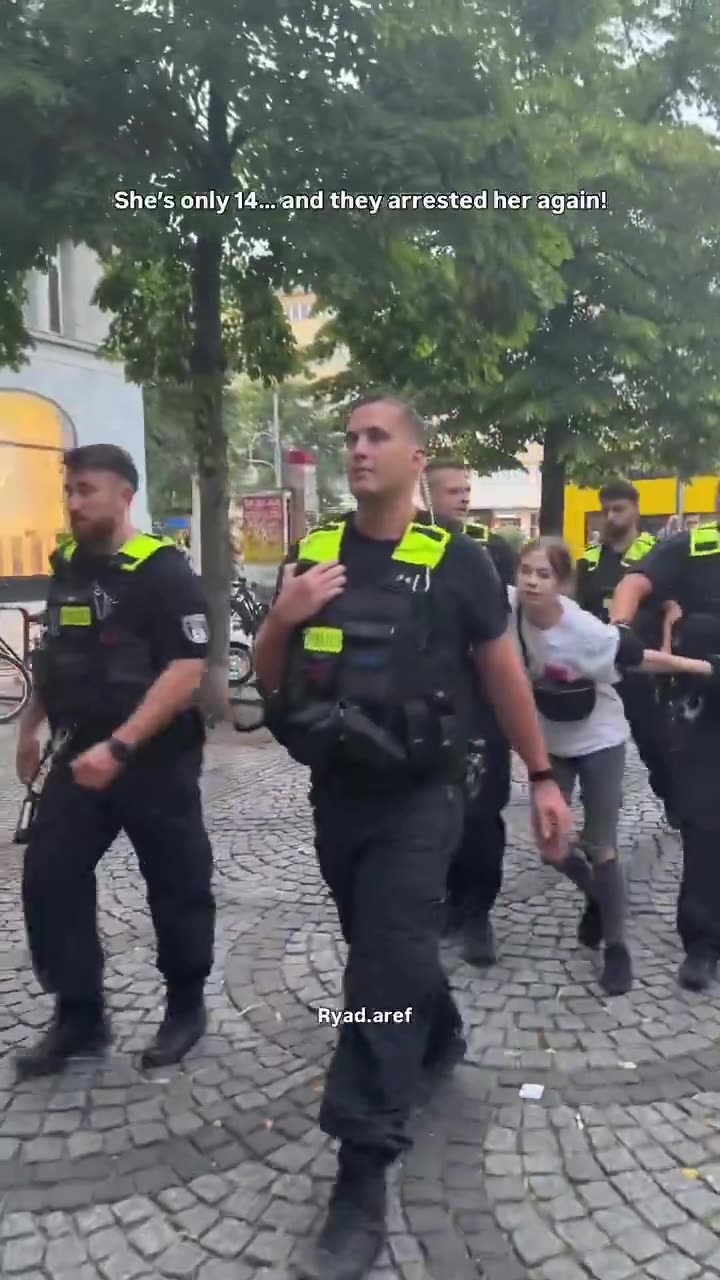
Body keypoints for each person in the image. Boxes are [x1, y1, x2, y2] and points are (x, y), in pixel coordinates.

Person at [255, 392, 572, 1280]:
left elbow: (501, 672)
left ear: (413, 459)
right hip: (339, 793)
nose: (357, 450)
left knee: (375, 973)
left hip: (426, 797)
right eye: (350, 437)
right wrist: (284, 615)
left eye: (375, 437)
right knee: (385, 951)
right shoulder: (315, 554)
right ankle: (436, 1034)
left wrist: (542, 778)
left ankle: (362, 1168)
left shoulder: (460, 562)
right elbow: (268, 682)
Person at [15, 444, 215, 1078]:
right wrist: (28, 728)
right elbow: (56, 653)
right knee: (48, 874)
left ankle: (185, 1006)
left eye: (86, 491)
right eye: (69, 490)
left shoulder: (163, 571)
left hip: (153, 756)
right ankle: (81, 1017)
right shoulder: (68, 565)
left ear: (125, 496)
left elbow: (187, 669)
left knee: (177, 884)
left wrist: (122, 745)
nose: (73, 503)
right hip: (81, 753)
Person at [514, 538, 709, 997]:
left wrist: (699, 667)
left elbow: (642, 660)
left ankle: (617, 947)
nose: (531, 581)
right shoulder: (509, 611)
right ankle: (599, 899)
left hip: (600, 739)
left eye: (543, 574)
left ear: (563, 584)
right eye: (525, 571)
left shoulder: (586, 632)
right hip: (551, 742)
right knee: (550, 845)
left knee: (601, 847)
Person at [611, 517, 720, 991]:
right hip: (703, 703)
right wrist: (618, 626)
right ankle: (703, 944)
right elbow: (635, 582)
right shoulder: (694, 546)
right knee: (703, 820)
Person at [423, 457, 516, 965]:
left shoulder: (489, 549)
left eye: (466, 488)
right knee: (434, 814)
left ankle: (477, 913)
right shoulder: (407, 547)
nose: (462, 497)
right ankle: (445, 904)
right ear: (427, 494)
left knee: (481, 815)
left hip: (482, 705)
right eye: (452, 490)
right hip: (429, 706)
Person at [574, 479, 674, 822]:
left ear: (636, 510)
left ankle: (674, 802)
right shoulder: (588, 561)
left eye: (619, 509)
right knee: (595, 745)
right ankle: (600, 818)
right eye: (606, 510)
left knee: (654, 744)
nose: (611, 517)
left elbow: (671, 609)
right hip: (599, 668)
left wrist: (666, 652)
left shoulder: (657, 554)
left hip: (642, 666)